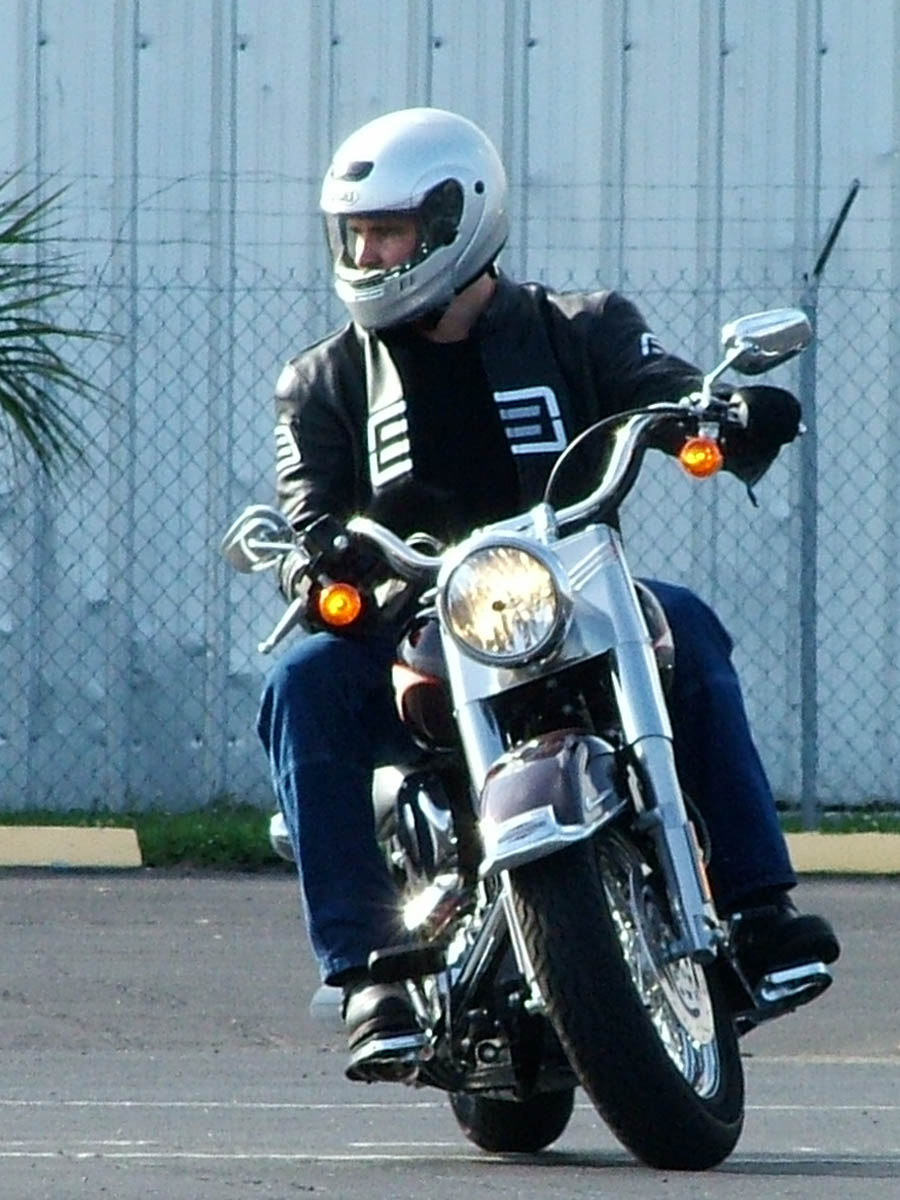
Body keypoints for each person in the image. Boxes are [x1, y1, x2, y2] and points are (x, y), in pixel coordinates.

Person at [255, 107, 839, 1075]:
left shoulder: (583, 326)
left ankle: (757, 911)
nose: (368, 253)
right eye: (356, 233)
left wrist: (724, 413)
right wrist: (314, 562)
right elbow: (306, 502)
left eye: (389, 231)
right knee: (303, 678)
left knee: (689, 623)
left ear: (458, 221)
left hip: (574, 599)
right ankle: (367, 973)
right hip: (420, 621)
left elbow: (662, 385)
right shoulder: (322, 379)